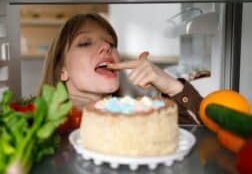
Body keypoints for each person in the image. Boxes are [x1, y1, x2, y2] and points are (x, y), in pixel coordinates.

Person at [39, 13, 202, 124]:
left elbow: (205, 140)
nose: (106, 47)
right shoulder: (40, 122)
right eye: (85, 43)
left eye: (111, 44)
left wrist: (172, 86)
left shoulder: (140, 115)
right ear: (62, 70)